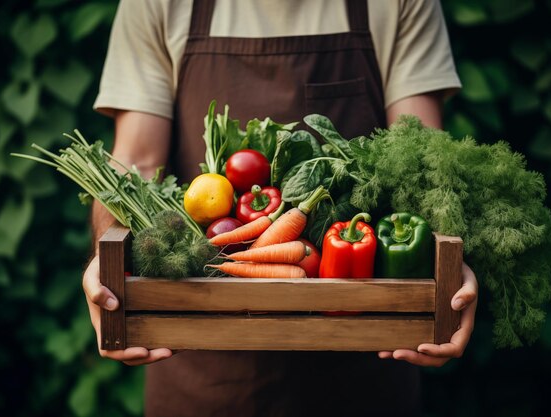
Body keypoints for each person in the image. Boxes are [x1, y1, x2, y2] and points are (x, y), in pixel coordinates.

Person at [83, 0, 478, 415]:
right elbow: (137, 163)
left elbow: (422, 161)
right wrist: (107, 259)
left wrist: (449, 257)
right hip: (198, 370)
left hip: (364, 368)